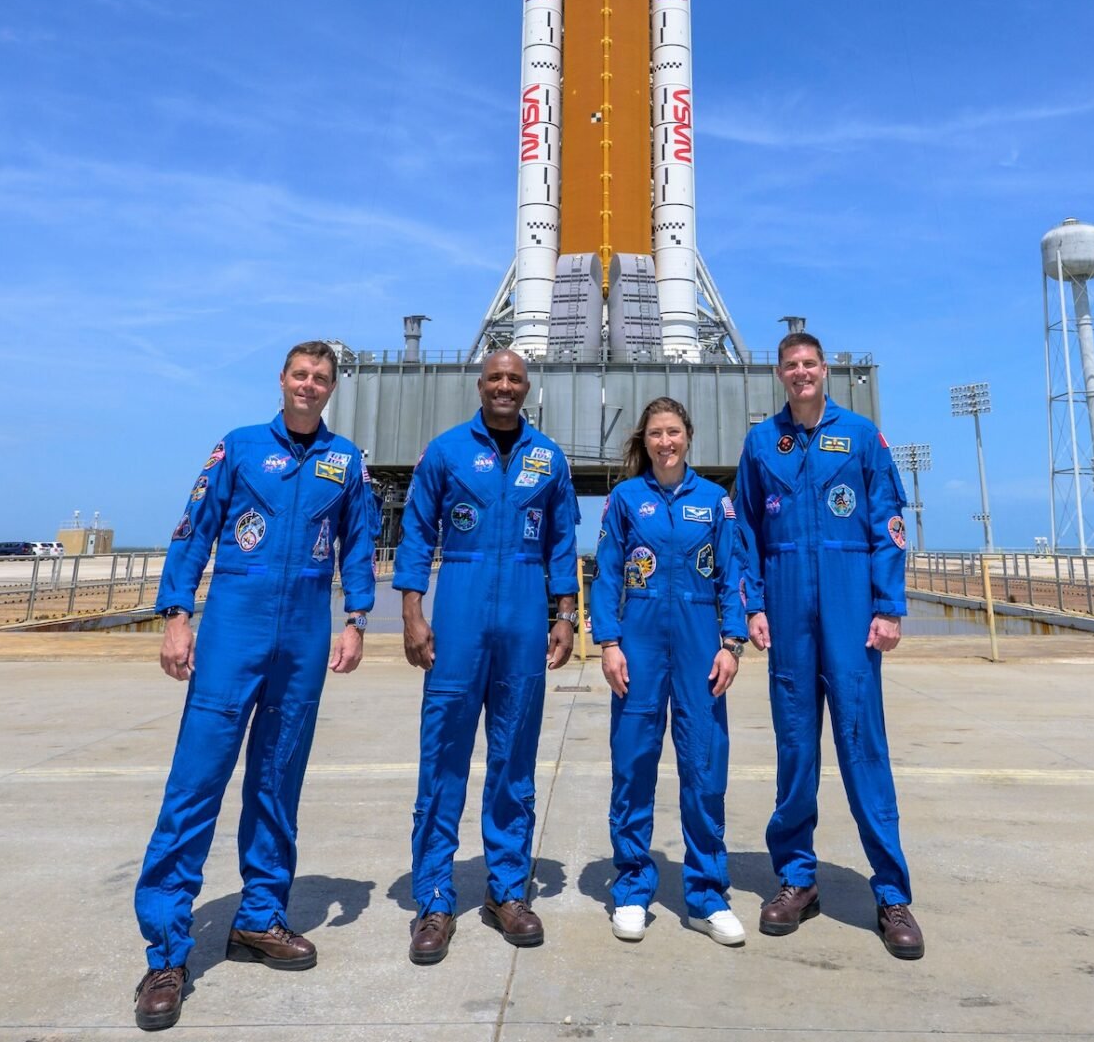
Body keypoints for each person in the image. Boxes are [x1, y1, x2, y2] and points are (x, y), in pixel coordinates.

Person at [132, 341, 380, 1031]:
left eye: (321, 378)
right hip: (232, 629)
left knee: (277, 780)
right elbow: (194, 530)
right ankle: (166, 952)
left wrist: (355, 617)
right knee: (195, 785)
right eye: (300, 374)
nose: (309, 384)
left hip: (303, 635)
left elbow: (359, 542)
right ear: (283, 380)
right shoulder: (238, 448)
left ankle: (259, 917)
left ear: (332, 388)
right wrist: (178, 614)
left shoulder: (346, 462)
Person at [736, 330, 924, 960]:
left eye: (809, 364)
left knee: (863, 749)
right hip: (787, 615)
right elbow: (746, 534)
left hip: (849, 613)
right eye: (790, 366)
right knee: (795, 751)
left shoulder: (862, 436)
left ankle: (892, 893)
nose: (800, 373)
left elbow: (888, 523)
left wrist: (888, 606)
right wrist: (753, 607)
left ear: (825, 369)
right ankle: (796, 880)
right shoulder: (762, 442)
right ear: (780, 375)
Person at [394, 348, 580, 965]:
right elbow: (418, 533)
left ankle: (506, 891)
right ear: (481, 385)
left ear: (527, 389)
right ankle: (435, 899)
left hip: (525, 617)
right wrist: (413, 611)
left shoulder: (547, 458)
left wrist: (564, 615)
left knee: (513, 760)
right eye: (496, 377)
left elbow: (560, 542)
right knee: (442, 757)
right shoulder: (445, 452)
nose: (505, 386)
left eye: (515, 379)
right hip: (460, 614)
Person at [591, 396, 759, 946]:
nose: (666, 442)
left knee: (705, 768)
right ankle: (634, 888)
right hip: (637, 644)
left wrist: (731, 643)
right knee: (633, 766)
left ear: (688, 436)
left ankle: (707, 896)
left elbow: (733, 573)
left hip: (698, 643)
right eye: (657, 433)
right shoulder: (623, 500)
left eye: (674, 432)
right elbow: (607, 574)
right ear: (645, 440)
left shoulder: (715, 501)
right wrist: (609, 643)